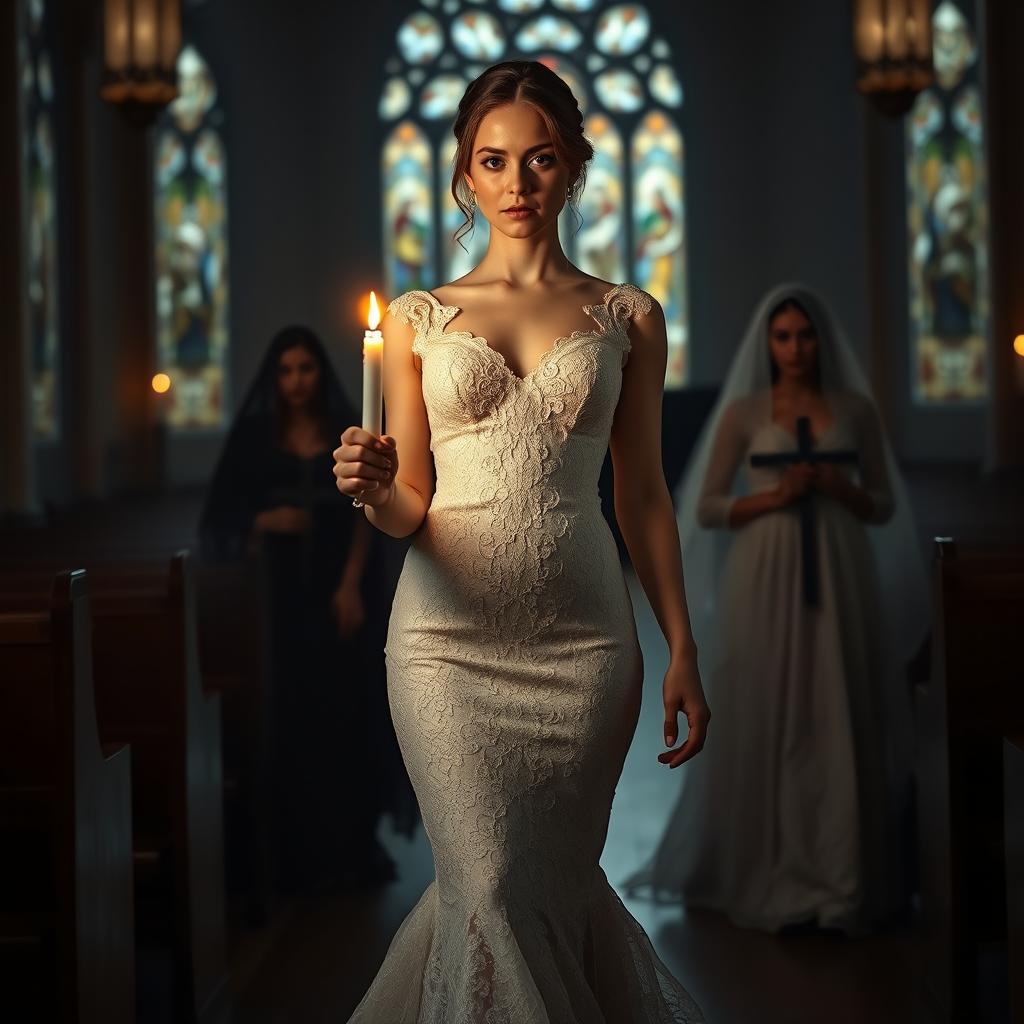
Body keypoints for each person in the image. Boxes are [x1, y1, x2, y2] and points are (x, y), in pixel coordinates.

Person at [334, 61, 708, 1021]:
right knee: (490, 887)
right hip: (446, 645)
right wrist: (375, 493)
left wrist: (682, 646)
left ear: (575, 168)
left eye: (540, 160)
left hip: (586, 645)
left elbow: (646, 496)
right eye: (493, 161)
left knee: (544, 888)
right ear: (464, 175)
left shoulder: (628, 317)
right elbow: (411, 503)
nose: (516, 183)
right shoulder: (420, 320)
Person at [626, 285, 930, 934]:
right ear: (767, 344)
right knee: (774, 704)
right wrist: (775, 497)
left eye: (806, 335)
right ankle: (771, 872)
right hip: (764, 575)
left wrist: (843, 489)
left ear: (823, 340)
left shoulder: (854, 411)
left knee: (837, 705)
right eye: (783, 336)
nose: (795, 349)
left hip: (840, 571)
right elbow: (704, 508)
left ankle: (842, 878)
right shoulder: (743, 414)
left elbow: (885, 504)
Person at [199, 325, 398, 893]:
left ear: (319, 371)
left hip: (337, 593)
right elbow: (221, 516)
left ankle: (346, 852)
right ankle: (291, 857)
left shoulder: (345, 430)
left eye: (304, 369)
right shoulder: (258, 439)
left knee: (342, 713)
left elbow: (366, 512)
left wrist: (352, 585)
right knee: (289, 717)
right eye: (285, 371)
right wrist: (267, 520)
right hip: (277, 603)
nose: (295, 382)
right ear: (273, 376)